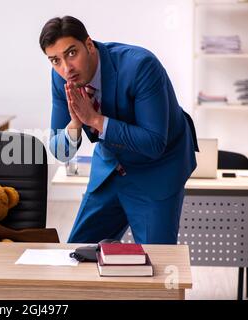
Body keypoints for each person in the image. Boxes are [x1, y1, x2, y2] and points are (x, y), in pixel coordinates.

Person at [40, 16, 198, 244]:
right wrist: (75, 124)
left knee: (157, 263)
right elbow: (61, 151)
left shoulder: (140, 66)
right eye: (55, 60)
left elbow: (154, 143)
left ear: (89, 45)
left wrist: (94, 120)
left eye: (72, 53)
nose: (66, 68)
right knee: (77, 252)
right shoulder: (60, 78)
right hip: (111, 167)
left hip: (158, 169)